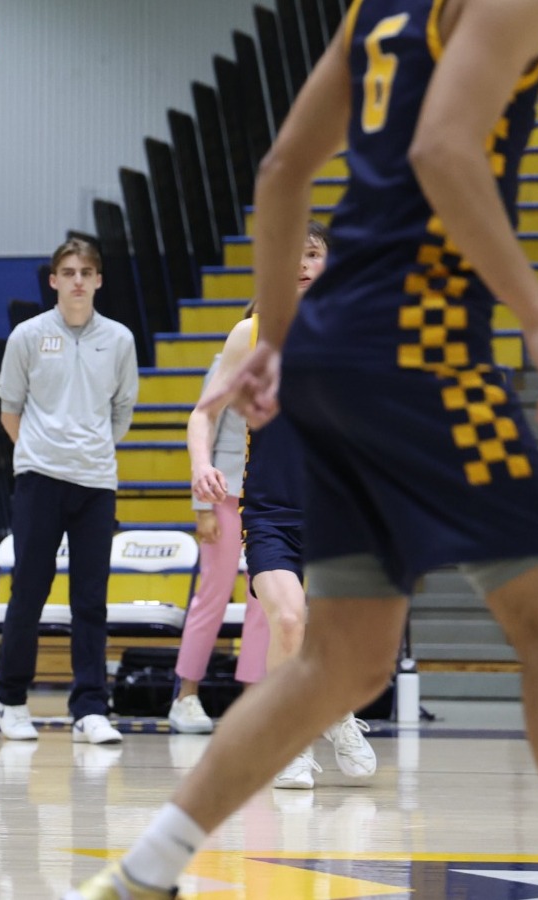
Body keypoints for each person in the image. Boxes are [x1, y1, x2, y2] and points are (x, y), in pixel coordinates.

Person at [70, 1, 538, 896]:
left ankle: (144, 872)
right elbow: (444, 150)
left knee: (345, 659)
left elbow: (284, 171)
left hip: (332, 355)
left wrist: (281, 340)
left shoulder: (377, 11)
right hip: (426, 352)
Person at [185, 223, 376, 788]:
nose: (300, 264)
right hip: (272, 511)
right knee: (288, 620)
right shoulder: (252, 333)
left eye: (312, 254)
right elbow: (203, 414)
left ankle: (336, 712)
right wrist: (201, 466)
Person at [0, 238, 138, 746]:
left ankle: (91, 708)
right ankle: (10, 699)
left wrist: (87, 450)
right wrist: (40, 451)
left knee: (91, 599)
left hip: (96, 481)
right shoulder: (28, 336)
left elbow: (123, 412)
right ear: (53, 280)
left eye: (87, 272)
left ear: (98, 280)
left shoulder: (119, 339)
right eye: (68, 271)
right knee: (28, 592)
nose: (77, 280)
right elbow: (10, 409)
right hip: (39, 478)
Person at [168, 347, 271, 735]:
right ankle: (186, 696)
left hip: (271, 492)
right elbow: (205, 422)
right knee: (213, 592)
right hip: (225, 489)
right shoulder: (231, 356)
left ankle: (252, 701)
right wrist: (202, 505)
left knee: (263, 599)